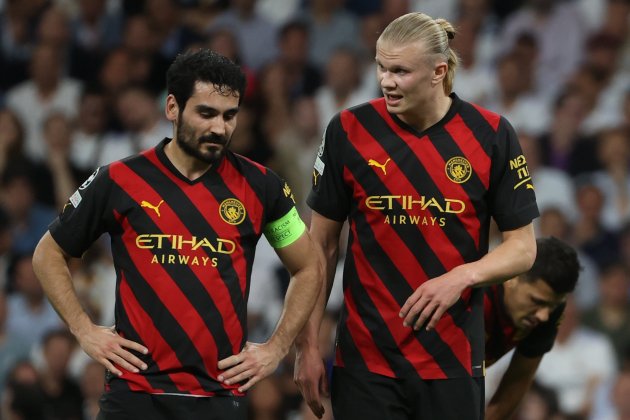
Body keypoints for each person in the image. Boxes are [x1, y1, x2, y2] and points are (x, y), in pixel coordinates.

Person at [31, 49, 322, 420]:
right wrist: (84, 330)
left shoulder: (263, 186)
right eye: (206, 113)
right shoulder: (119, 180)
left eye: (229, 116)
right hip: (133, 395)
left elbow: (308, 266)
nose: (220, 127)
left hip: (219, 397)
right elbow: (47, 253)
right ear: (172, 107)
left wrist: (277, 347)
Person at [294, 12, 539, 420]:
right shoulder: (349, 129)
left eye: (400, 71)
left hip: (452, 363)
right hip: (365, 363)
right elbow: (319, 246)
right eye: (381, 67)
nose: (386, 81)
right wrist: (308, 346)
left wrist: (461, 277)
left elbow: (523, 248)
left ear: (438, 72)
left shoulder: (491, 134)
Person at [484, 236, 580, 420]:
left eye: (551, 306)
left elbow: (519, 379)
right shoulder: (473, 295)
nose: (543, 316)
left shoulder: (550, 308)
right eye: (536, 301)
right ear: (512, 277)